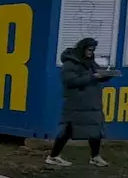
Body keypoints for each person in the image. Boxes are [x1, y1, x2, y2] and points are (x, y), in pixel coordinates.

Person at [47, 37, 113, 167]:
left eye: (93, 50)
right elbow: (70, 81)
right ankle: (53, 156)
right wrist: (93, 77)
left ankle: (95, 157)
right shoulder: (70, 63)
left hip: (92, 103)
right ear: (82, 48)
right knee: (69, 129)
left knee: (95, 129)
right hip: (77, 103)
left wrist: (105, 76)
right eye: (89, 49)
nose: (91, 52)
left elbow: (95, 77)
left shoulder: (90, 62)